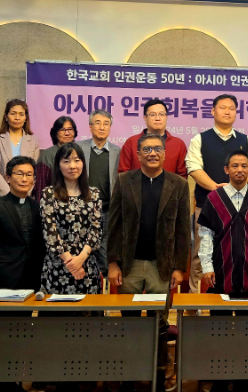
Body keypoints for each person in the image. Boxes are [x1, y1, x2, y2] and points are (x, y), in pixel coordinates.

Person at [107, 133, 189, 392]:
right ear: (138, 154)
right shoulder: (123, 181)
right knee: (130, 326)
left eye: (157, 149)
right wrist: (113, 262)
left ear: (165, 154)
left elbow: (181, 229)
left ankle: (158, 383)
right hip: (129, 266)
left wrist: (180, 267)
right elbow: (114, 224)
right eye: (146, 150)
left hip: (161, 267)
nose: (152, 153)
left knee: (160, 327)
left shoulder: (178, 184)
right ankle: (127, 384)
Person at [197, 150, 248, 392]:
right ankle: (218, 386)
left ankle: (243, 386)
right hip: (219, 275)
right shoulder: (213, 197)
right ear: (226, 170)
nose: (240, 170)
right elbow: (205, 235)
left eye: (244, 166)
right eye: (235, 166)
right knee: (218, 333)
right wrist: (206, 266)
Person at [0, 156, 45, 392]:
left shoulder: (38, 207)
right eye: (19, 174)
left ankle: (14, 383)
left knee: (21, 336)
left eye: (29, 175)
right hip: (1, 284)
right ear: (8, 177)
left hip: (29, 283)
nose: (24, 179)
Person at [39, 142, 101, 392]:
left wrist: (82, 258)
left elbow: (96, 230)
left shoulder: (94, 194)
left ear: (83, 164)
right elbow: (49, 232)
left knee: (85, 325)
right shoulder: (48, 194)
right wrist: (69, 260)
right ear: (58, 165)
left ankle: (81, 379)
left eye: (77, 160)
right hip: (58, 270)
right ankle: (59, 381)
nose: (72, 165)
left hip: (86, 270)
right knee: (58, 326)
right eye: (66, 161)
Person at [186, 94, 248, 293]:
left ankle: (231, 297)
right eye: (222, 107)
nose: (227, 111)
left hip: (240, 209)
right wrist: (217, 190)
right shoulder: (199, 139)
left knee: (236, 253)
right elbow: (193, 168)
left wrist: (229, 192)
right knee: (201, 255)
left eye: (231, 108)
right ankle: (195, 304)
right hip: (207, 207)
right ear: (213, 111)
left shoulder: (247, 140)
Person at [78, 110, 121, 274]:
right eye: (97, 123)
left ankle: (103, 289)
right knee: (83, 247)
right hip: (84, 208)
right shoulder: (79, 148)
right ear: (90, 126)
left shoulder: (117, 151)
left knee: (105, 249)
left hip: (108, 209)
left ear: (110, 127)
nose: (102, 127)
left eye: (106, 123)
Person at [0, 99, 40, 202]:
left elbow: (34, 170)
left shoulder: (33, 140)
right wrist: (9, 193)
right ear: (6, 117)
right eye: (13, 113)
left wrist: (23, 192)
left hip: (24, 196)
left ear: (25, 118)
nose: (17, 117)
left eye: (21, 114)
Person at [118, 98, 187, 178]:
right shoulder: (131, 142)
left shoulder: (178, 144)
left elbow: (182, 176)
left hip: (169, 189)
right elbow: (123, 174)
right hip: (136, 189)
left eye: (161, 114)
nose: (157, 118)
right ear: (145, 118)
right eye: (153, 114)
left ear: (166, 117)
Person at [34, 116, 77, 202]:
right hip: (54, 204)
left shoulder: (80, 152)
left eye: (70, 129)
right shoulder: (47, 155)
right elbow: (41, 187)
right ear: (55, 133)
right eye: (62, 130)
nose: (67, 133)